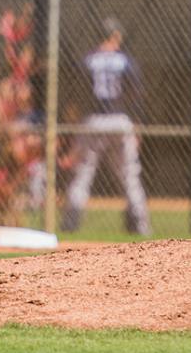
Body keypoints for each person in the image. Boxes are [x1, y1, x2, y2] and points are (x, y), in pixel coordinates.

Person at [62, 18, 152, 236]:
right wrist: (136, 125)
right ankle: (140, 223)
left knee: (83, 172)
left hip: (93, 120)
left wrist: (75, 127)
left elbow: (75, 97)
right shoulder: (126, 61)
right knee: (129, 174)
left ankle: (70, 223)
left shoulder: (87, 61)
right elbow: (136, 97)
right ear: (115, 37)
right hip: (120, 120)